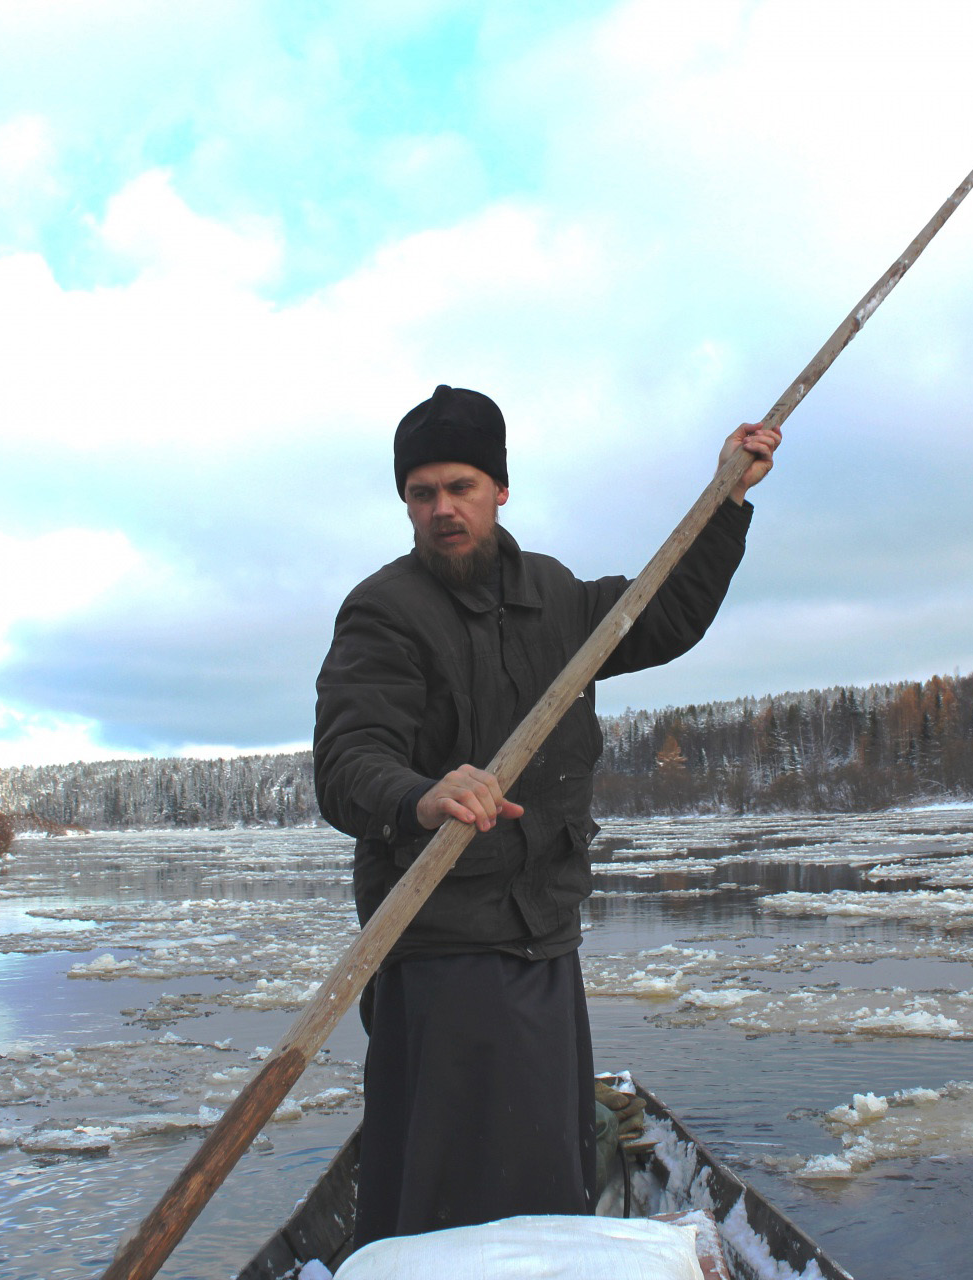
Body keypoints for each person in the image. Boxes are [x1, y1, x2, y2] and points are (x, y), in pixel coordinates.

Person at [313, 384, 778, 1246]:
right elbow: (347, 764)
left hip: (543, 934)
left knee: (544, 1174)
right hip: (441, 943)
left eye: (461, 486)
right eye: (423, 493)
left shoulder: (555, 597)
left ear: (499, 489)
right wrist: (421, 794)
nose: (443, 508)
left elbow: (663, 610)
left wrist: (726, 499)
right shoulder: (385, 612)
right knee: (446, 1192)